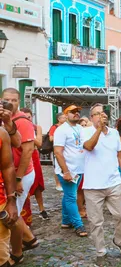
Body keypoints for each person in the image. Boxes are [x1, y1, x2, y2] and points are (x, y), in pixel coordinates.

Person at [81, 103, 121, 265]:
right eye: (96, 114)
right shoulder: (85, 131)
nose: (100, 116)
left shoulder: (113, 134)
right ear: (91, 118)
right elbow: (89, 147)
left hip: (113, 183)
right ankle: (100, 251)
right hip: (92, 186)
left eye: (102, 113)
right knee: (96, 222)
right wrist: (98, 129)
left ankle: (119, 240)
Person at [2, 88, 40, 265]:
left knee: (12, 216)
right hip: (9, 175)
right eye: (6, 99)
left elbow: (27, 151)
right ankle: (30, 239)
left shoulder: (21, 122)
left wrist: (17, 179)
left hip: (19, 174)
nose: (10, 103)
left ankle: (17, 253)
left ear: (19, 102)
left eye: (14, 100)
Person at [53, 105, 88, 237]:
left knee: (69, 195)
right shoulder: (61, 130)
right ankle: (78, 224)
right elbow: (58, 152)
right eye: (73, 112)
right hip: (68, 170)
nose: (76, 114)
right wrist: (65, 171)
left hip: (79, 169)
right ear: (66, 114)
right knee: (71, 197)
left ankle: (66, 220)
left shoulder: (80, 128)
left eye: (78, 112)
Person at [20, 108, 49, 221]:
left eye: (29, 117)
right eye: (25, 117)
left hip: (33, 155)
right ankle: (24, 211)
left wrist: (27, 132)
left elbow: (39, 143)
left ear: (32, 117)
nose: (27, 119)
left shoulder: (37, 128)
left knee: (37, 184)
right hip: (21, 155)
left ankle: (42, 209)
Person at [0, 119, 20, 267]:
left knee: (1, 256)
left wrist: (11, 201)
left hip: (0, 201)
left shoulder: (2, 133)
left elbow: (7, 166)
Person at [50, 112, 67, 192]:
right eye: (63, 117)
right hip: (57, 149)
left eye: (65, 117)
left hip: (66, 151)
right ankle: (58, 184)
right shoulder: (54, 127)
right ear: (59, 119)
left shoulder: (68, 127)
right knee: (57, 167)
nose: (65, 119)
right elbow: (51, 138)